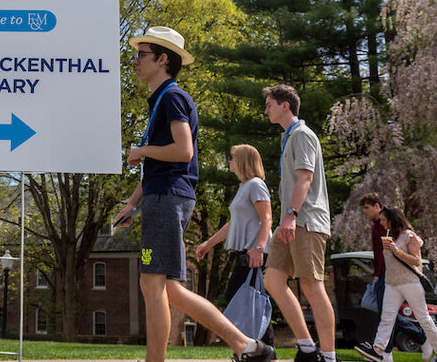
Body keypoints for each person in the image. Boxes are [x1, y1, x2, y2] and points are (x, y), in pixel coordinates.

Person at [113, 27, 274, 362]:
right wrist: (132, 203)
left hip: (167, 202)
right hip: (161, 199)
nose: (134, 62)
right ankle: (248, 347)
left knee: (151, 284)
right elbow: (161, 167)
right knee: (165, 288)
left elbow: (182, 151)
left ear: (162, 59)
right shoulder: (162, 99)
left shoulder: (172, 97)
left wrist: (142, 150)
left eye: (141, 55)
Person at [262, 84, 336, 362]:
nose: (265, 110)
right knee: (273, 280)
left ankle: (328, 357)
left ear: (285, 105)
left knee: (311, 286)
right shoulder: (287, 138)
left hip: (306, 220)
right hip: (289, 221)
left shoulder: (303, 135)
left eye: (269, 104)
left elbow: (305, 178)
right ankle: (307, 347)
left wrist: (291, 216)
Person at [194, 144, 274, 346]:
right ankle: (259, 349)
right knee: (247, 301)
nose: (229, 161)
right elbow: (233, 224)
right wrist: (208, 244)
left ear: (243, 160)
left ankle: (262, 349)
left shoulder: (256, 184)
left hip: (253, 254)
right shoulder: (243, 187)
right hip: (244, 253)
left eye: (231, 157)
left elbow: (267, 218)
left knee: (249, 300)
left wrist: (259, 248)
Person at [353, 206, 437, 362]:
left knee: (423, 318)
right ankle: (377, 350)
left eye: (384, 220)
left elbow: (416, 260)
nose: (382, 222)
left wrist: (396, 250)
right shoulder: (389, 236)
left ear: (392, 220)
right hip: (391, 284)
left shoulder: (409, 236)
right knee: (387, 318)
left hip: (410, 283)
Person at [358, 193, 428, 362]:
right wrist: (376, 274)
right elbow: (377, 253)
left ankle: (390, 349)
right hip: (382, 274)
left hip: (392, 275)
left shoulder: (386, 224)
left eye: (367, 208)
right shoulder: (376, 225)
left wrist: (383, 273)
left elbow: (395, 250)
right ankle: (387, 351)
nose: (365, 211)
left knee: (387, 315)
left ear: (377, 206)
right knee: (386, 314)